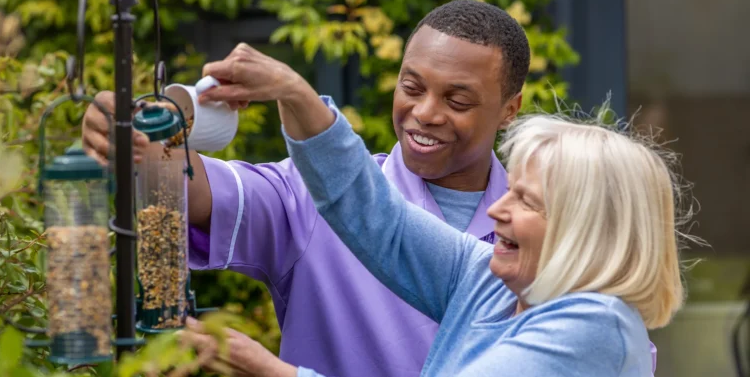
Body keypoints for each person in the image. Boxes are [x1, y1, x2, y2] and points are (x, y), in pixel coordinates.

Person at [82, 0, 652, 377]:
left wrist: (271, 371)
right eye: (411, 87)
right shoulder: (483, 269)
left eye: (457, 100)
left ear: (510, 109)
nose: (425, 114)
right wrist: (140, 133)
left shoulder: (593, 325)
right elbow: (362, 207)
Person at [181, 41, 690, 376]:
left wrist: (272, 371)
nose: (498, 211)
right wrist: (293, 92)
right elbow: (377, 218)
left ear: (587, 229)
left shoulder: (594, 325)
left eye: (527, 200)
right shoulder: (487, 281)